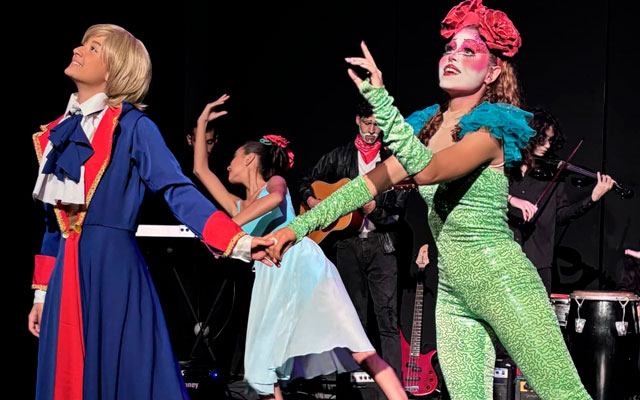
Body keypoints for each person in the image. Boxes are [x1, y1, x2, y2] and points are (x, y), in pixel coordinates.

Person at [265, 0, 592, 398]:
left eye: (468, 50)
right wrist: (294, 229)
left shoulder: (490, 132)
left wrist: (383, 103)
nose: (453, 56)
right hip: (452, 292)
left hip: (503, 279)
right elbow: (365, 185)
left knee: (565, 394)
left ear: (492, 70)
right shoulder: (428, 128)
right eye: (449, 49)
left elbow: (428, 171)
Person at [27, 25, 272, 400]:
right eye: (83, 43)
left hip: (113, 273)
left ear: (112, 70)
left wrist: (235, 241)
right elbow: (52, 222)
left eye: (92, 48)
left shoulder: (133, 127)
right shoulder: (58, 134)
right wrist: (41, 295)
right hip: (66, 276)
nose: (78, 49)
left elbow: (177, 191)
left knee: (122, 377)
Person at [191, 97, 407, 399]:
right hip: (271, 278)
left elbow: (275, 200)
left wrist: (228, 230)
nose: (228, 163)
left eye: (235, 157)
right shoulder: (236, 203)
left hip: (303, 265)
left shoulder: (274, 182)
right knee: (260, 368)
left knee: (358, 346)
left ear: (251, 159)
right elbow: (201, 170)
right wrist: (202, 122)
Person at [298, 100, 407, 378]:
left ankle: (393, 392)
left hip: (382, 246)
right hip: (347, 245)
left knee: (387, 320)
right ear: (357, 120)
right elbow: (305, 181)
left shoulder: (392, 159)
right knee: (351, 319)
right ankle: (350, 387)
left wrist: (375, 210)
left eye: (377, 124)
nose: (372, 130)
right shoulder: (339, 156)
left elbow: (398, 211)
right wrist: (313, 201)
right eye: (367, 123)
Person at [507, 109, 615, 293]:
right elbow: (486, 198)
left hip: (538, 260)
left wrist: (593, 197)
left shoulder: (553, 176)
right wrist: (511, 199)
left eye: (550, 140)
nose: (548, 145)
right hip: (502, 255)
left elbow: (562, 215)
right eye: (543, 139)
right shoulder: (504, 167)